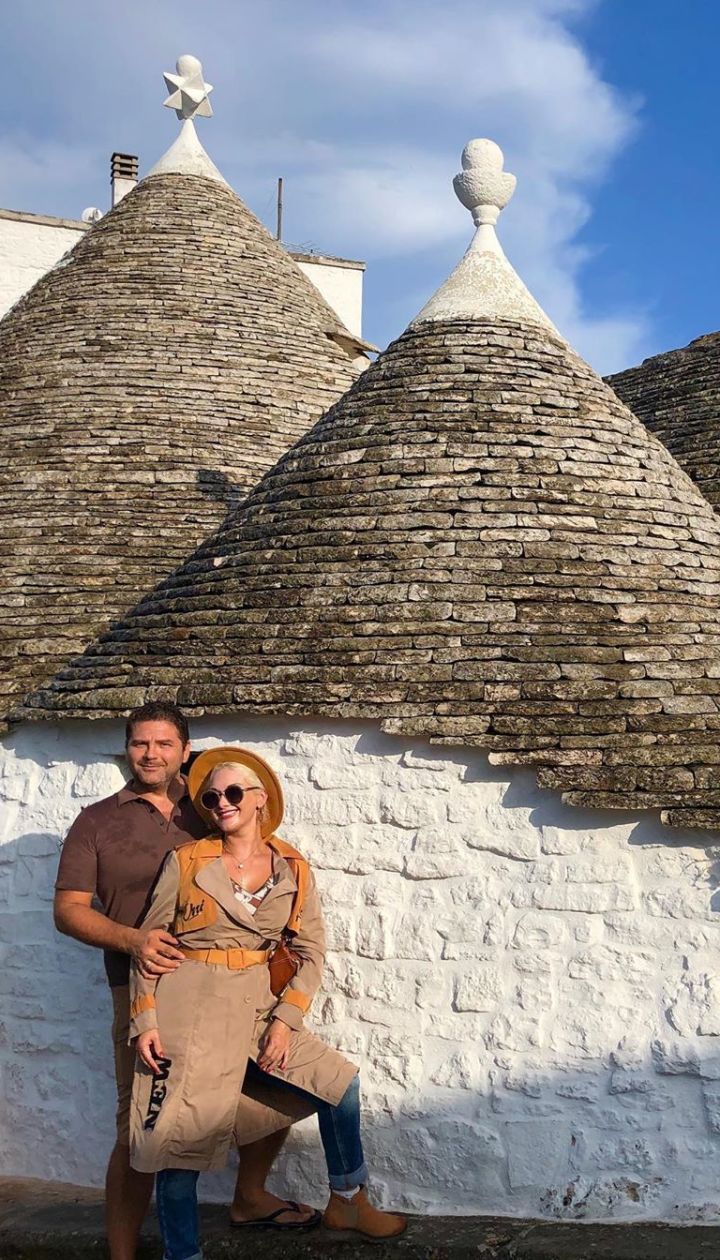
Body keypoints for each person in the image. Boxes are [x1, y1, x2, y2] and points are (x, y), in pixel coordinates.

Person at [54, 705, 316, 1260]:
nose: (151, 754)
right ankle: (122, 1254)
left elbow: (264, 851)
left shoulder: (212, 801)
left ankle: (249, 1196)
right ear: (126, 748)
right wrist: (133, 940)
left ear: (185, 749)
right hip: (147, 987)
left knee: (269, 1089)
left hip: (236, 985)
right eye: (140, 743)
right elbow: (68, 910)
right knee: (143, 1123)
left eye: (164, 744)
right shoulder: (96, 821)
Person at [129, 745, 407, 1260]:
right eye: (211, 798)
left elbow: (311, 950)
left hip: (259, 1004)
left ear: (259, 799)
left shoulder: (291, 866)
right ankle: (182, 1254)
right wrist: (145, 1018)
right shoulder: (187, 862)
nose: (222, 803)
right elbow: (151, 947)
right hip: (191, 1009)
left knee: (337, 1085)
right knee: (178, 1141)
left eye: (234, 792)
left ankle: (348, 1199)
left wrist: (286, 1020)